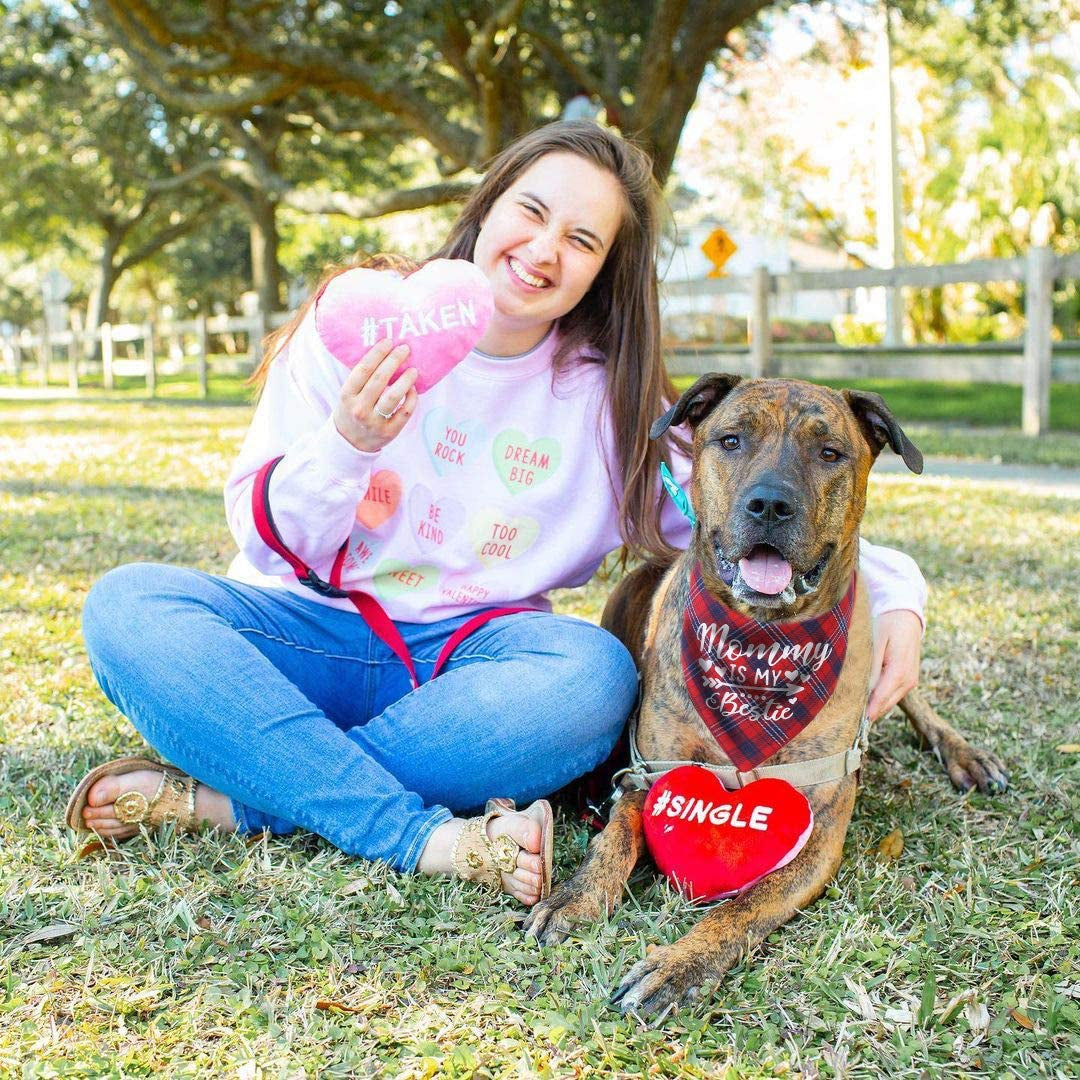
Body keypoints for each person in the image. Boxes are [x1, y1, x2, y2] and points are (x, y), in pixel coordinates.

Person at [67, 121, 926, 908]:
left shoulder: (611, 402)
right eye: (532, 211)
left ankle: (249, 786)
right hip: (303, 633)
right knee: (127, 606)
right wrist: (348, 444)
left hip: (474, 673)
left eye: (582, 240)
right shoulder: (359, 324)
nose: (545, 250)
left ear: (604, 269)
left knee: (594, 676)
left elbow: (737, 520)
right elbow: (265, 540)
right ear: (488, 205)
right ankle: (423, 837)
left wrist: (898, 597)